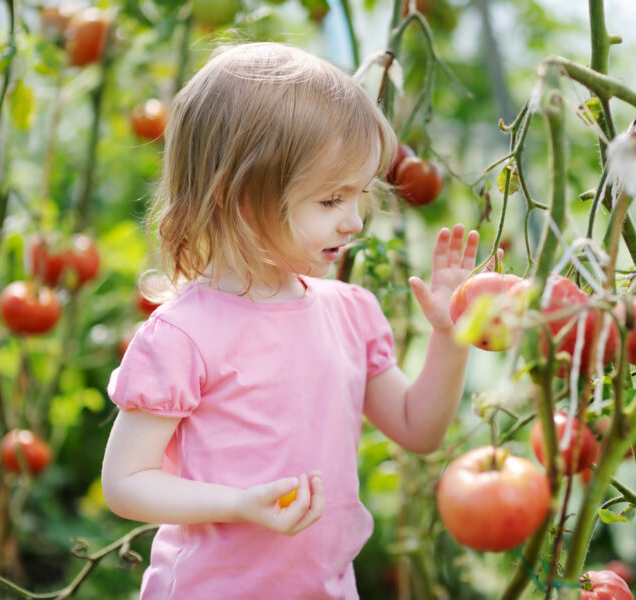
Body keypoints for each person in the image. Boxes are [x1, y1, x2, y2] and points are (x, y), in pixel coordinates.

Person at [101, 42, 483, 599]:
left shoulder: (350, 314)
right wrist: (236, 504)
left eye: (359, 195)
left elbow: (418, 428)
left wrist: (451, 337)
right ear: (243, 199)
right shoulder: (184, 336)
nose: (354, 220)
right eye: (330, 200)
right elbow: (126, 483)